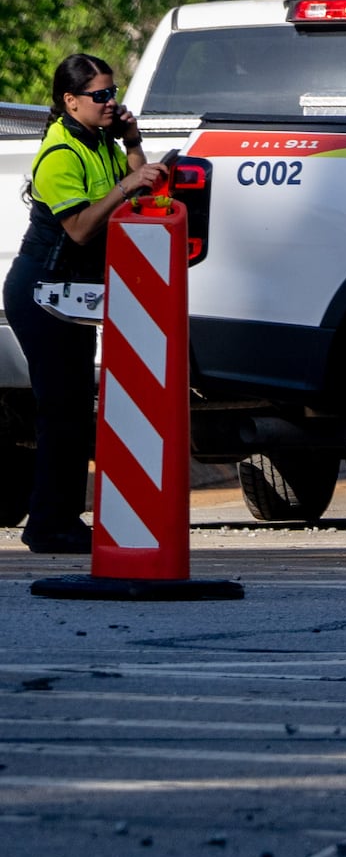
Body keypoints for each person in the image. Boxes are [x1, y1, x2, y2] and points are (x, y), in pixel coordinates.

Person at [14, 54, 163, 555]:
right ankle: (49, 524)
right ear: (69, 101)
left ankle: (59, 518)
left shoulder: (99, 140)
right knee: (60, 409)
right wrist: (126, 184)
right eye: (99, 95)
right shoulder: (60, 153)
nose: (109, 102)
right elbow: (79, 228)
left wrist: (133, 143)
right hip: (41, 292)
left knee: (75, 407)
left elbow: (140, 192)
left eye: (112, 92)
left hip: (71, 294)